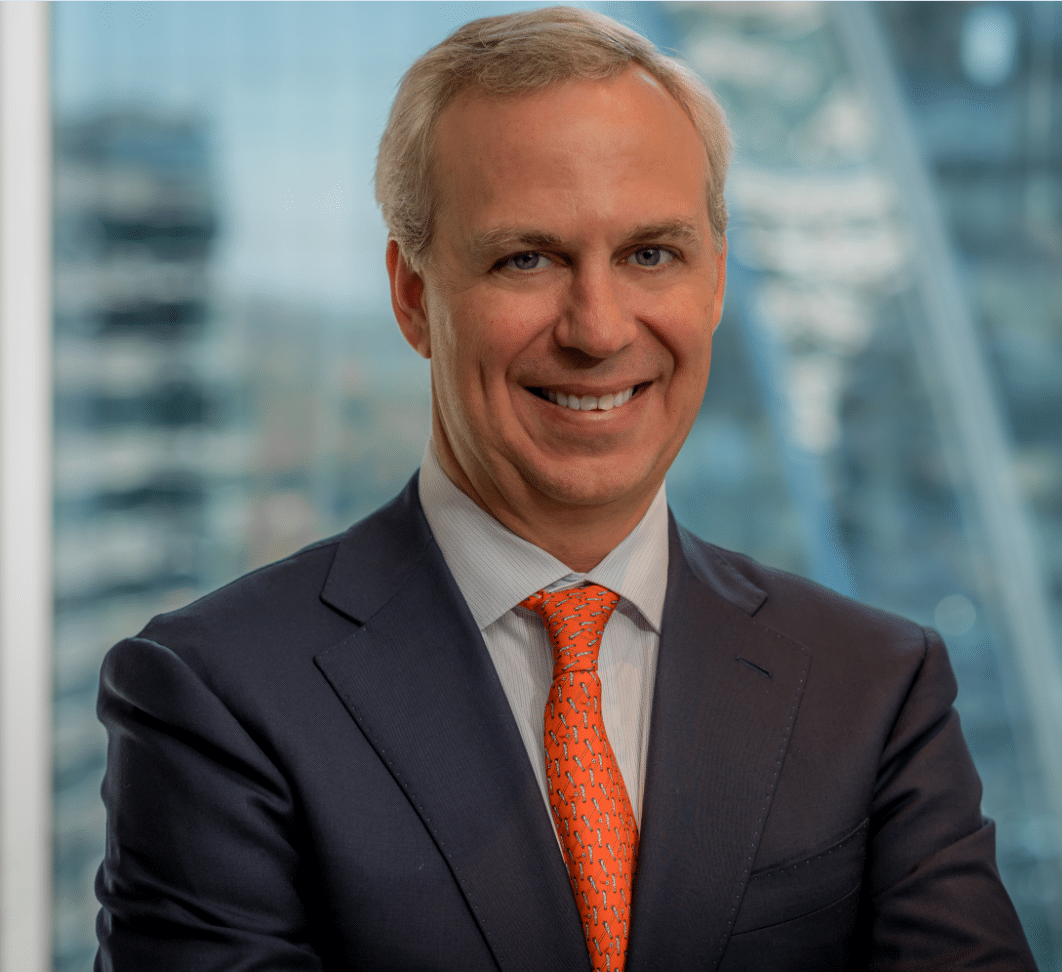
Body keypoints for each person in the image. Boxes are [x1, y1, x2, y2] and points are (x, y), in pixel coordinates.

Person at [95, 7, 1037, 971]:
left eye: (650, 255)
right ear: (414, 296)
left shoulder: (874, 686)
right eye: (528, 258)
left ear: (715, 284)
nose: (597, 328)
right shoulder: (216, 698)